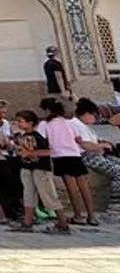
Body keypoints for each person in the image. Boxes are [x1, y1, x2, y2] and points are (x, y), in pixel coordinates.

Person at [39, 97, 96, 226]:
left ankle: (78, 215)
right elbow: (78, 140)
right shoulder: (70, 123)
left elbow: (42, 140)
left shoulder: (45, 124)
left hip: (60, 156)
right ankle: (91, 216)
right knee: (84, 186)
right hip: (74, 155)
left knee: (71, 188)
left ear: (47, 110)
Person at [13, 109, 70, 234]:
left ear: (31, 123)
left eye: (21, 121)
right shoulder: (22, 137)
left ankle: (62, 223)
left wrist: (31, 153)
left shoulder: (38, 137)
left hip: (40, 168)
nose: (19, 124)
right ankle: (27, 222)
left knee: (49, 195)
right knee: (28, 195)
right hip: (27, 167)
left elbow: (48, 151)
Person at [73, 97, 120, 204]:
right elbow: (85, 145)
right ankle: (115, 201)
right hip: (88, 156)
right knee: (118, 171)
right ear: (86, 114)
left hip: (97, 154)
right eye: (94, 115)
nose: (96, 118)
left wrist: (103, 142)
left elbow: (93, 139)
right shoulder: (77, 125)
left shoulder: (84, 126)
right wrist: (102, 145)